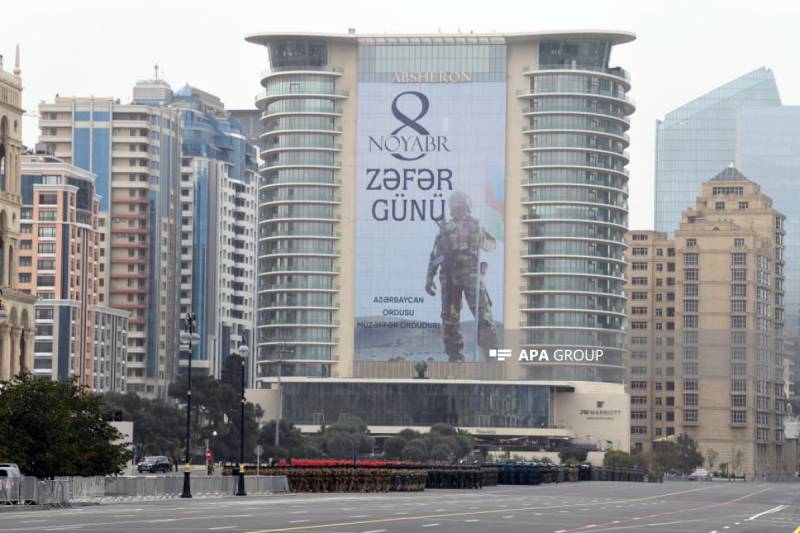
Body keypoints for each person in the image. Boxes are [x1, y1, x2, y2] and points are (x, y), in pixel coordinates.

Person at [426, 191, 498, 362]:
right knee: (449, 318)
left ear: (466, 206)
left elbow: (492, 245)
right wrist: (429, 278)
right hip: (449, 276)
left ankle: (492, 356)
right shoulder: (445, 229)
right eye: (454, 207)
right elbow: (435, 255)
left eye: (459, 207)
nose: (456, 210)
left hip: (471, 273)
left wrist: (481, 240)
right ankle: (455, 357)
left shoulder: (476, 226)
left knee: (483, 316)